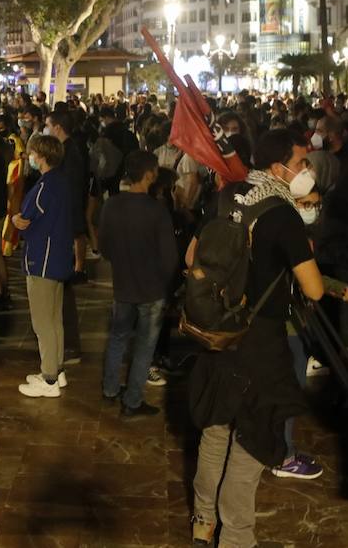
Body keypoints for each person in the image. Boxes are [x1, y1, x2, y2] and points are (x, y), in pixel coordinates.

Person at [189, 129, 324, 548]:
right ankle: (237, 539)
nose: (307, 171)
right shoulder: (283, 215)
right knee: (253, 441)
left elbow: (192, 256)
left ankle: (202, 520)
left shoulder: (230, 194)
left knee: (216, 428)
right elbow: (315, 289)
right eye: (302, 163)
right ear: (279, 166)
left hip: (221, 329)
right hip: (261, 339)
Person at [99, 149, 178, 417]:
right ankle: (132, 400)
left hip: (123, 286)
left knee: (118, 338)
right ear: (148, 175)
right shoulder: (157, 211)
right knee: (144, 346)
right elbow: (170, 258)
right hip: (152, 289)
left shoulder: (112, 205)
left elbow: (105, 248)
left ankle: (110, 388)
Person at [12, 134, 74, 398]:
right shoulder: (63, 182)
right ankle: (57, 371)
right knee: (55, 318)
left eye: (32, 153)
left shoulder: (44, 186)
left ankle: (48, 378)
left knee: (42, 323)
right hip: (60, 257)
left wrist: (16, 219)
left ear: (42, 156)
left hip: (42, 260)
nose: (30, 157)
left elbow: (25, 218)